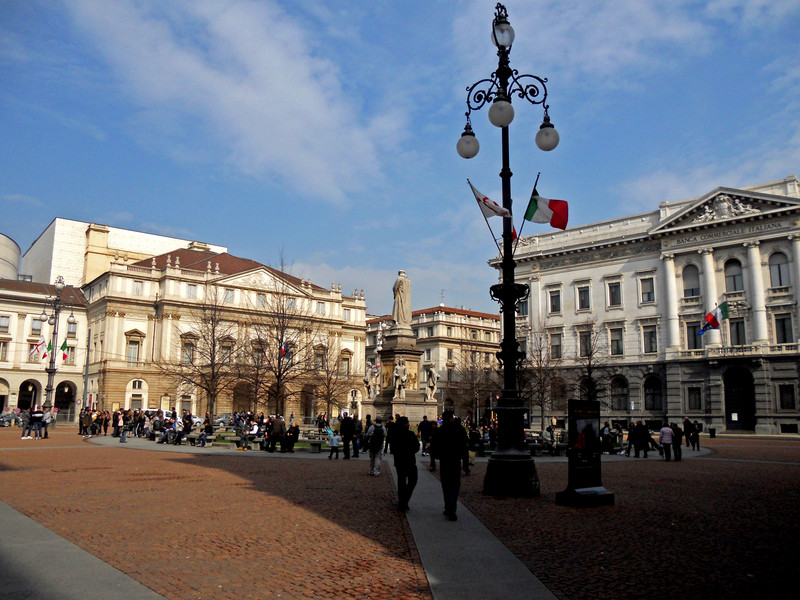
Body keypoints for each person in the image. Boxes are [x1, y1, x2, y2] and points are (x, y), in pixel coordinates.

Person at [432, 411, 469, 521]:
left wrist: (436, 456)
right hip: (455, 460)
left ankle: (448, 506)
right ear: (451, 419)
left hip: (445, 460)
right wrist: (465, 461)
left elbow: (434, 446)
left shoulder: (440, 431)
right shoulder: (459, 430)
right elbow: (464, 446)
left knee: (446, 484)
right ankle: (452, 507)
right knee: (455, 484)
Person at [391, 416, 419, 512]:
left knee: (401, 482)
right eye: (407, 422)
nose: (409, 424)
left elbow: (392, 449)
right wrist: (410, 452)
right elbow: (417, 447)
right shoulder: (410, 434)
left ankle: (402, 502)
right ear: (404, 424)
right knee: (413, 480)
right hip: (410, 461)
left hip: (399, 461)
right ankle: (404, 501)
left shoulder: (395, 435)